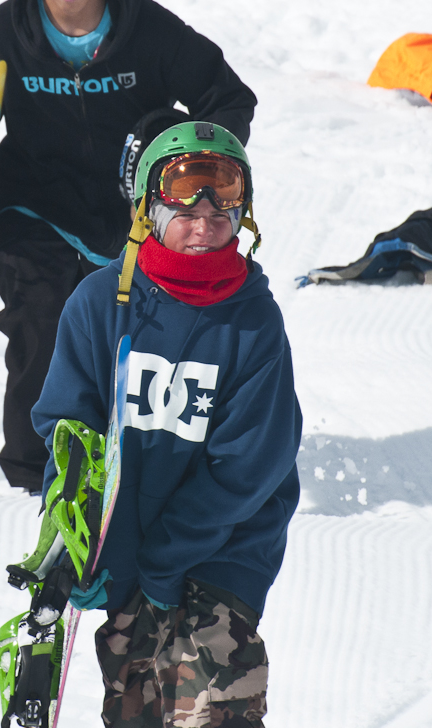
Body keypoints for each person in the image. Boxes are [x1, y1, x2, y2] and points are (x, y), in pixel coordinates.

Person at [0, 0, 257, 493]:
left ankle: (142, 460)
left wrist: (183, 164)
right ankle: (31, 480)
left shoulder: (152, 32)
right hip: (35, 210)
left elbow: (229, 99)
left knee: (136, 343)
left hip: (131, 218)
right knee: (39, 329)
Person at [32, 121, 302, 728]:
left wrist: (165, 558)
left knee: (215, 705)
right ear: (149, 211)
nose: (205, 224)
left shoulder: (254, 322)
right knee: (137, 709)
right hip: (128, 544)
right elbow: (69, 434)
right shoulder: (101, 304)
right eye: (185, 207)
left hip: (224, 545)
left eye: (221, 208)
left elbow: (250, 465)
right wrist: (78, 542)